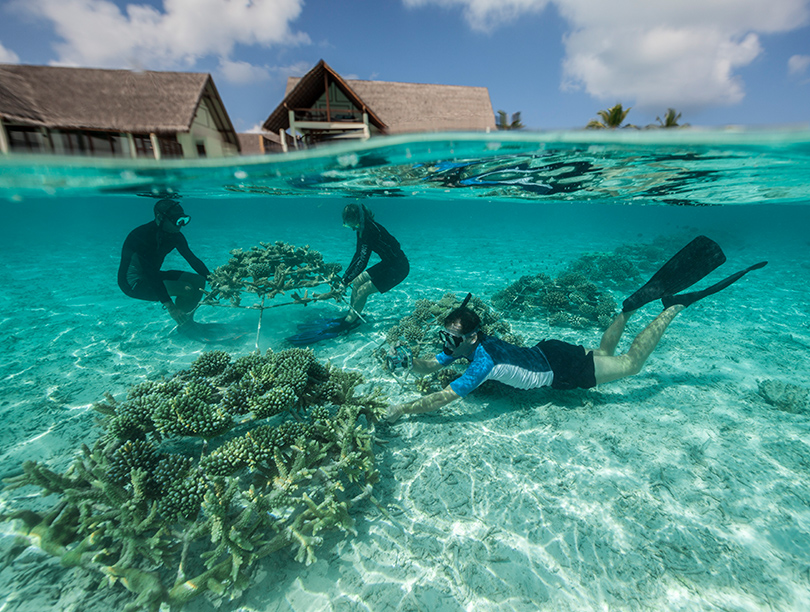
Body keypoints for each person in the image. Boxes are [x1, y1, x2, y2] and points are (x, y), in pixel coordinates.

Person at [386, 236, 767, 423]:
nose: (445, 344)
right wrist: (408, 362)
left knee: (631, 365)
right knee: (602, 354)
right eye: (443, 337)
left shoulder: (480, 362)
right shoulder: (463, 347)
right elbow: (429, 366)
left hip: (561, 369)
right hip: (548, 349)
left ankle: (674, 307)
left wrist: (401, 409)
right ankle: (630, 307)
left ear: (470, 337)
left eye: (450, 338)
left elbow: (442, 398)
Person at [287, 203, 409, 345]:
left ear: (358, 219)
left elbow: (362, 260)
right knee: (357, 281)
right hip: (389, 263)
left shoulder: (369, 230)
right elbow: (358, 254)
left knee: (364, 290)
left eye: (351, 225)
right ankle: (352, 315)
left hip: (399, 268)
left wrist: (344, 282)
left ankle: (349, 321)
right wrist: (346, 279)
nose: (351, 228)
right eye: (347, 225)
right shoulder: (362, 227)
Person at [118, 199, 210, 328]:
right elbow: (149, 273)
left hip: (152, 274)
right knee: (187, 289)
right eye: (176, 220)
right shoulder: (142, 237)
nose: (180, 225)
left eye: (184, 220)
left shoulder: (175, 236)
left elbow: (191, 258)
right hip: (133, 283)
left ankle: (187, 320)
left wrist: (213, 279)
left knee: (199, 281)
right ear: (160, 217)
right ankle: (185, 324)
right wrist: (170, 306)